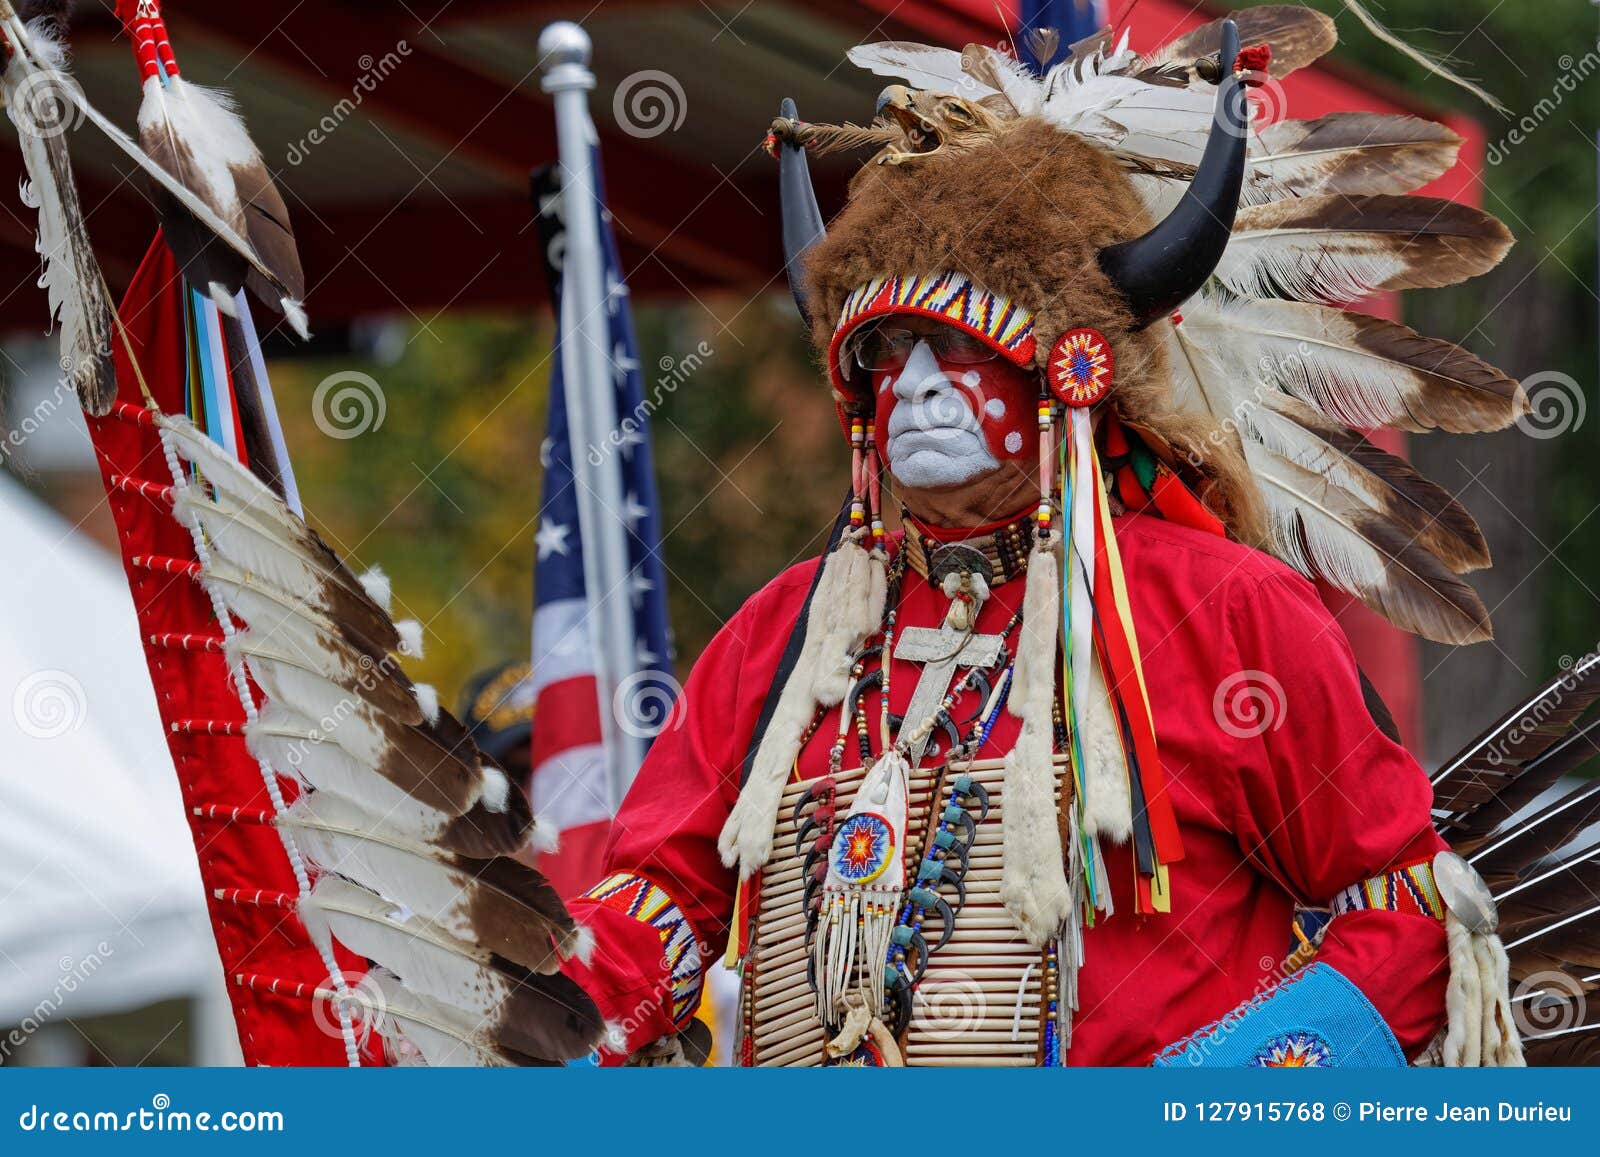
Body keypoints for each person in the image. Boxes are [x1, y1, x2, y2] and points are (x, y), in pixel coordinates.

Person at [558, 12, 1529, 1067]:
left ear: (1065, 368)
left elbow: (1407, 919)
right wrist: (500, 1023)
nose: (912, 385)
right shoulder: (778, 635)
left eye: (956, 344)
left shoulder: (1223, 609)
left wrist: (1199, 1102)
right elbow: (652, 908)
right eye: (884, 351)